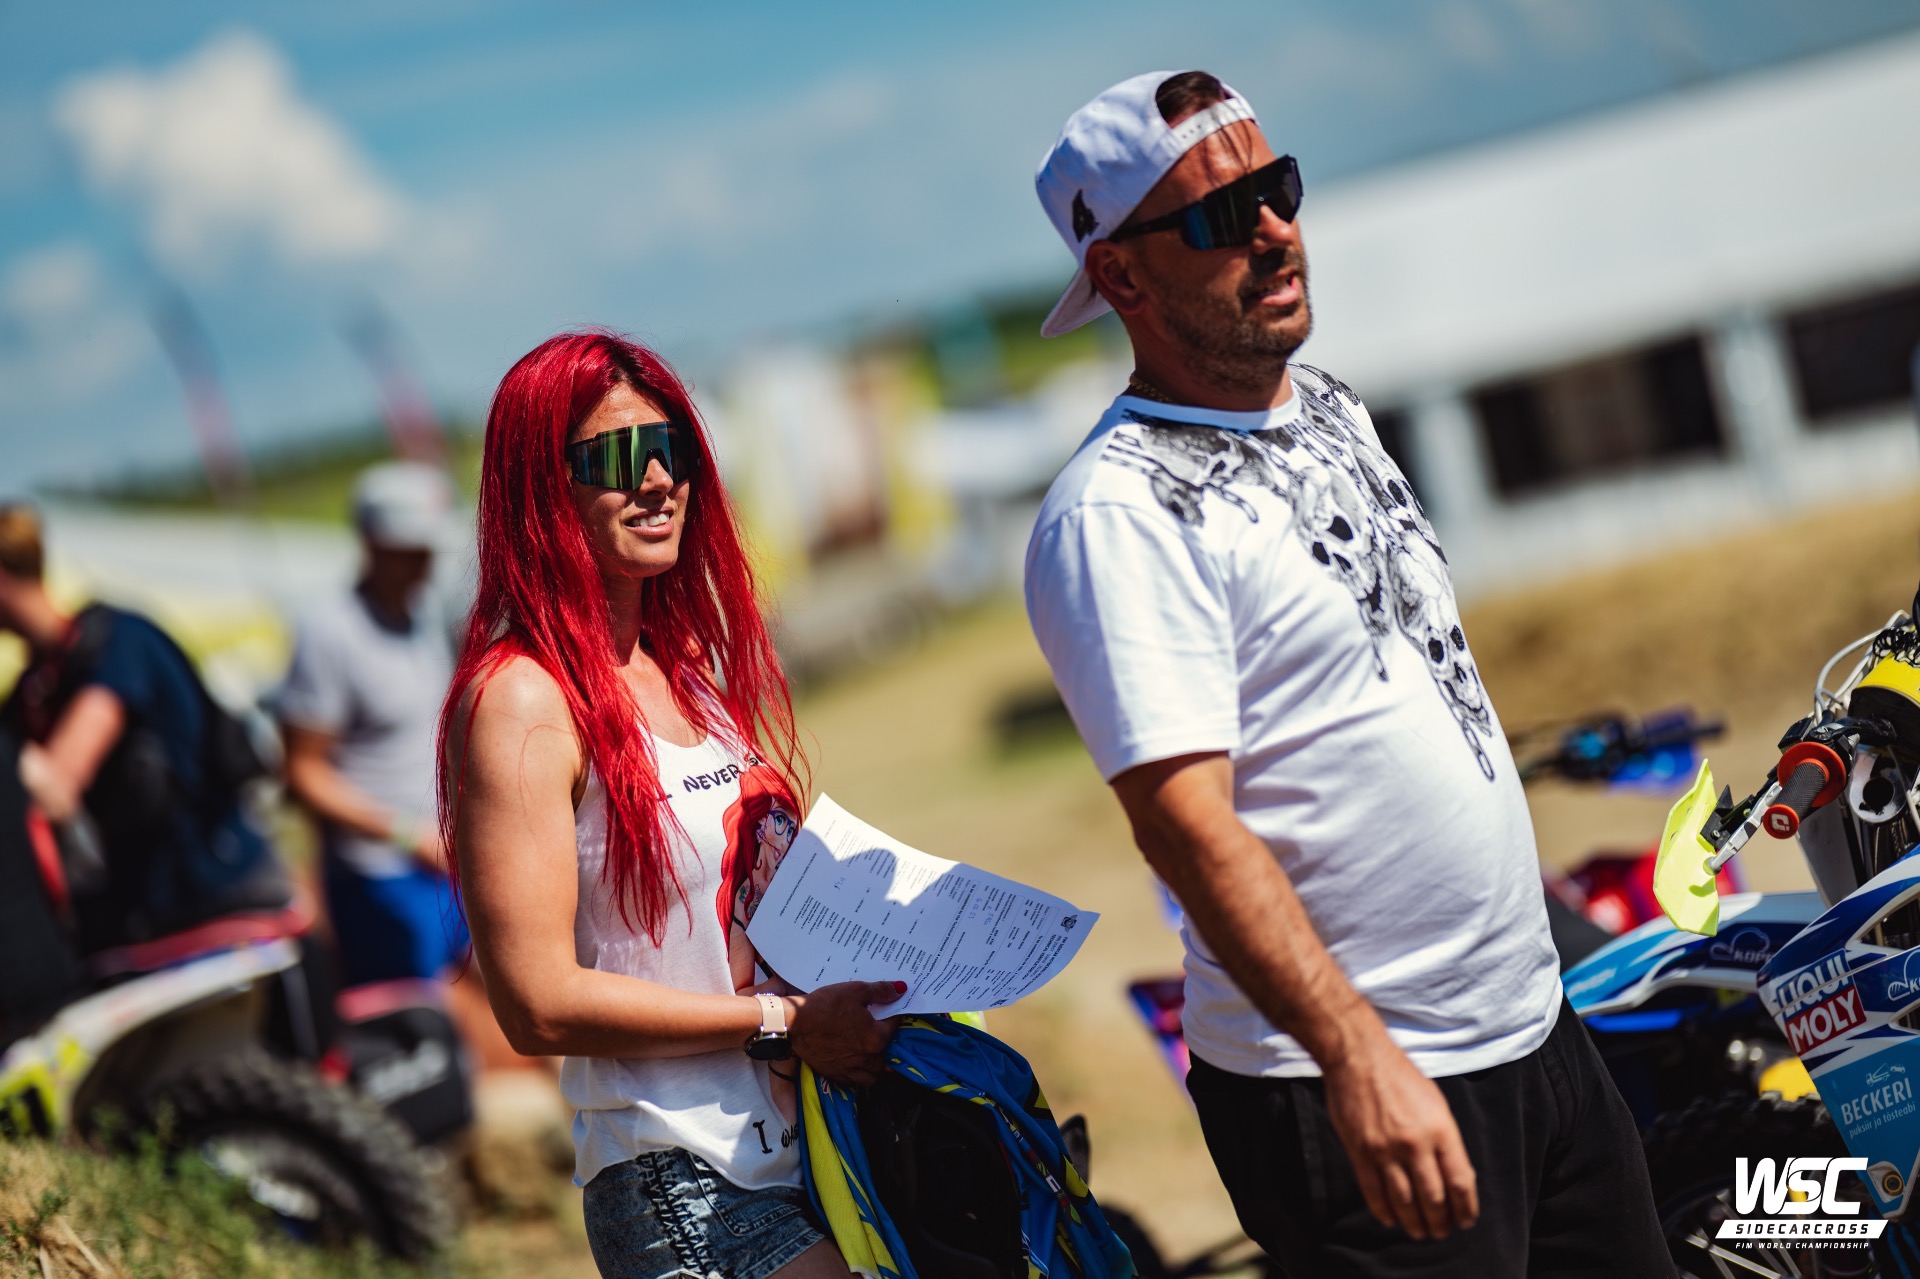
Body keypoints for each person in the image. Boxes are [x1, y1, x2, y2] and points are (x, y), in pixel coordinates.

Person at [1023, 72, 1670, 1276]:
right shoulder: (1115, 515)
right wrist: (1358, 1058)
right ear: (1121, 275)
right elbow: (1189, 830)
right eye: (1223, 215)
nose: (1276, 230)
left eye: (1280, 188)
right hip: (1358, 1081)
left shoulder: (1328, 407)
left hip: (1534, 1036)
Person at [440, 331, 903, 1279]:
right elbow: (537, 1004)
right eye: (616, 457)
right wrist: (784, 1021)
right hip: (685, 1174)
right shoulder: (521, 699)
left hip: (813, 1146)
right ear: (541, 489)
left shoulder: (683, 666)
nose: (658, 480)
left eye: (672, 448)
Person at [0, 502, 287, 953]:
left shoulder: (117, 644)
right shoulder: (34, 689)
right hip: (150, 911)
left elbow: (58, 786)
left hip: (223, 892)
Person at [278, 461, 467, 990]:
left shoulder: (424, 616)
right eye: (409, 550)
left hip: (444, 859)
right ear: (372, 545)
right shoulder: (330, 634)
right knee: (420, 1017)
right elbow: (303, 772)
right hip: (378, 875)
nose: (423, 563)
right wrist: (407, 834)